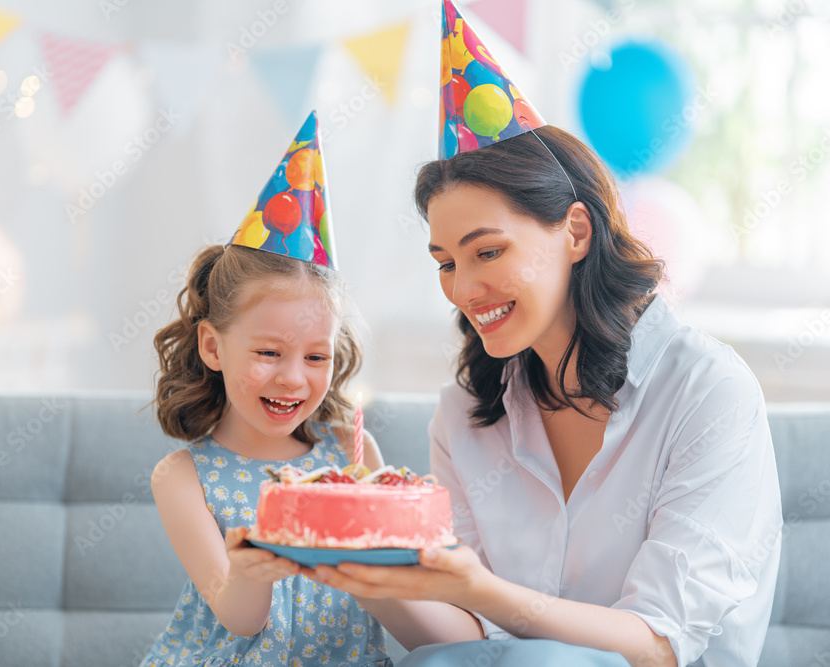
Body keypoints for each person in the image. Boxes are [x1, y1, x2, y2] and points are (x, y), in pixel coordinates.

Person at [303, 4, 783, 666]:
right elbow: (471, 637)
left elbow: (659, 641)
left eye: (488, 252)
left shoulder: (707, 392)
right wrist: (370, 569)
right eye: (445, 263)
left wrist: (486, 592)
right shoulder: (465, 416)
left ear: (577, 232)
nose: (463, 287)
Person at [140, 112, 393, 667]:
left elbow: (395, 587)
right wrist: (259, 559)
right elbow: (240, 616)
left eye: (316, 356)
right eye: (268, 353)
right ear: (213, 347)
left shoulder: (352, 454)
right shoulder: (184, 477)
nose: (293, 377)